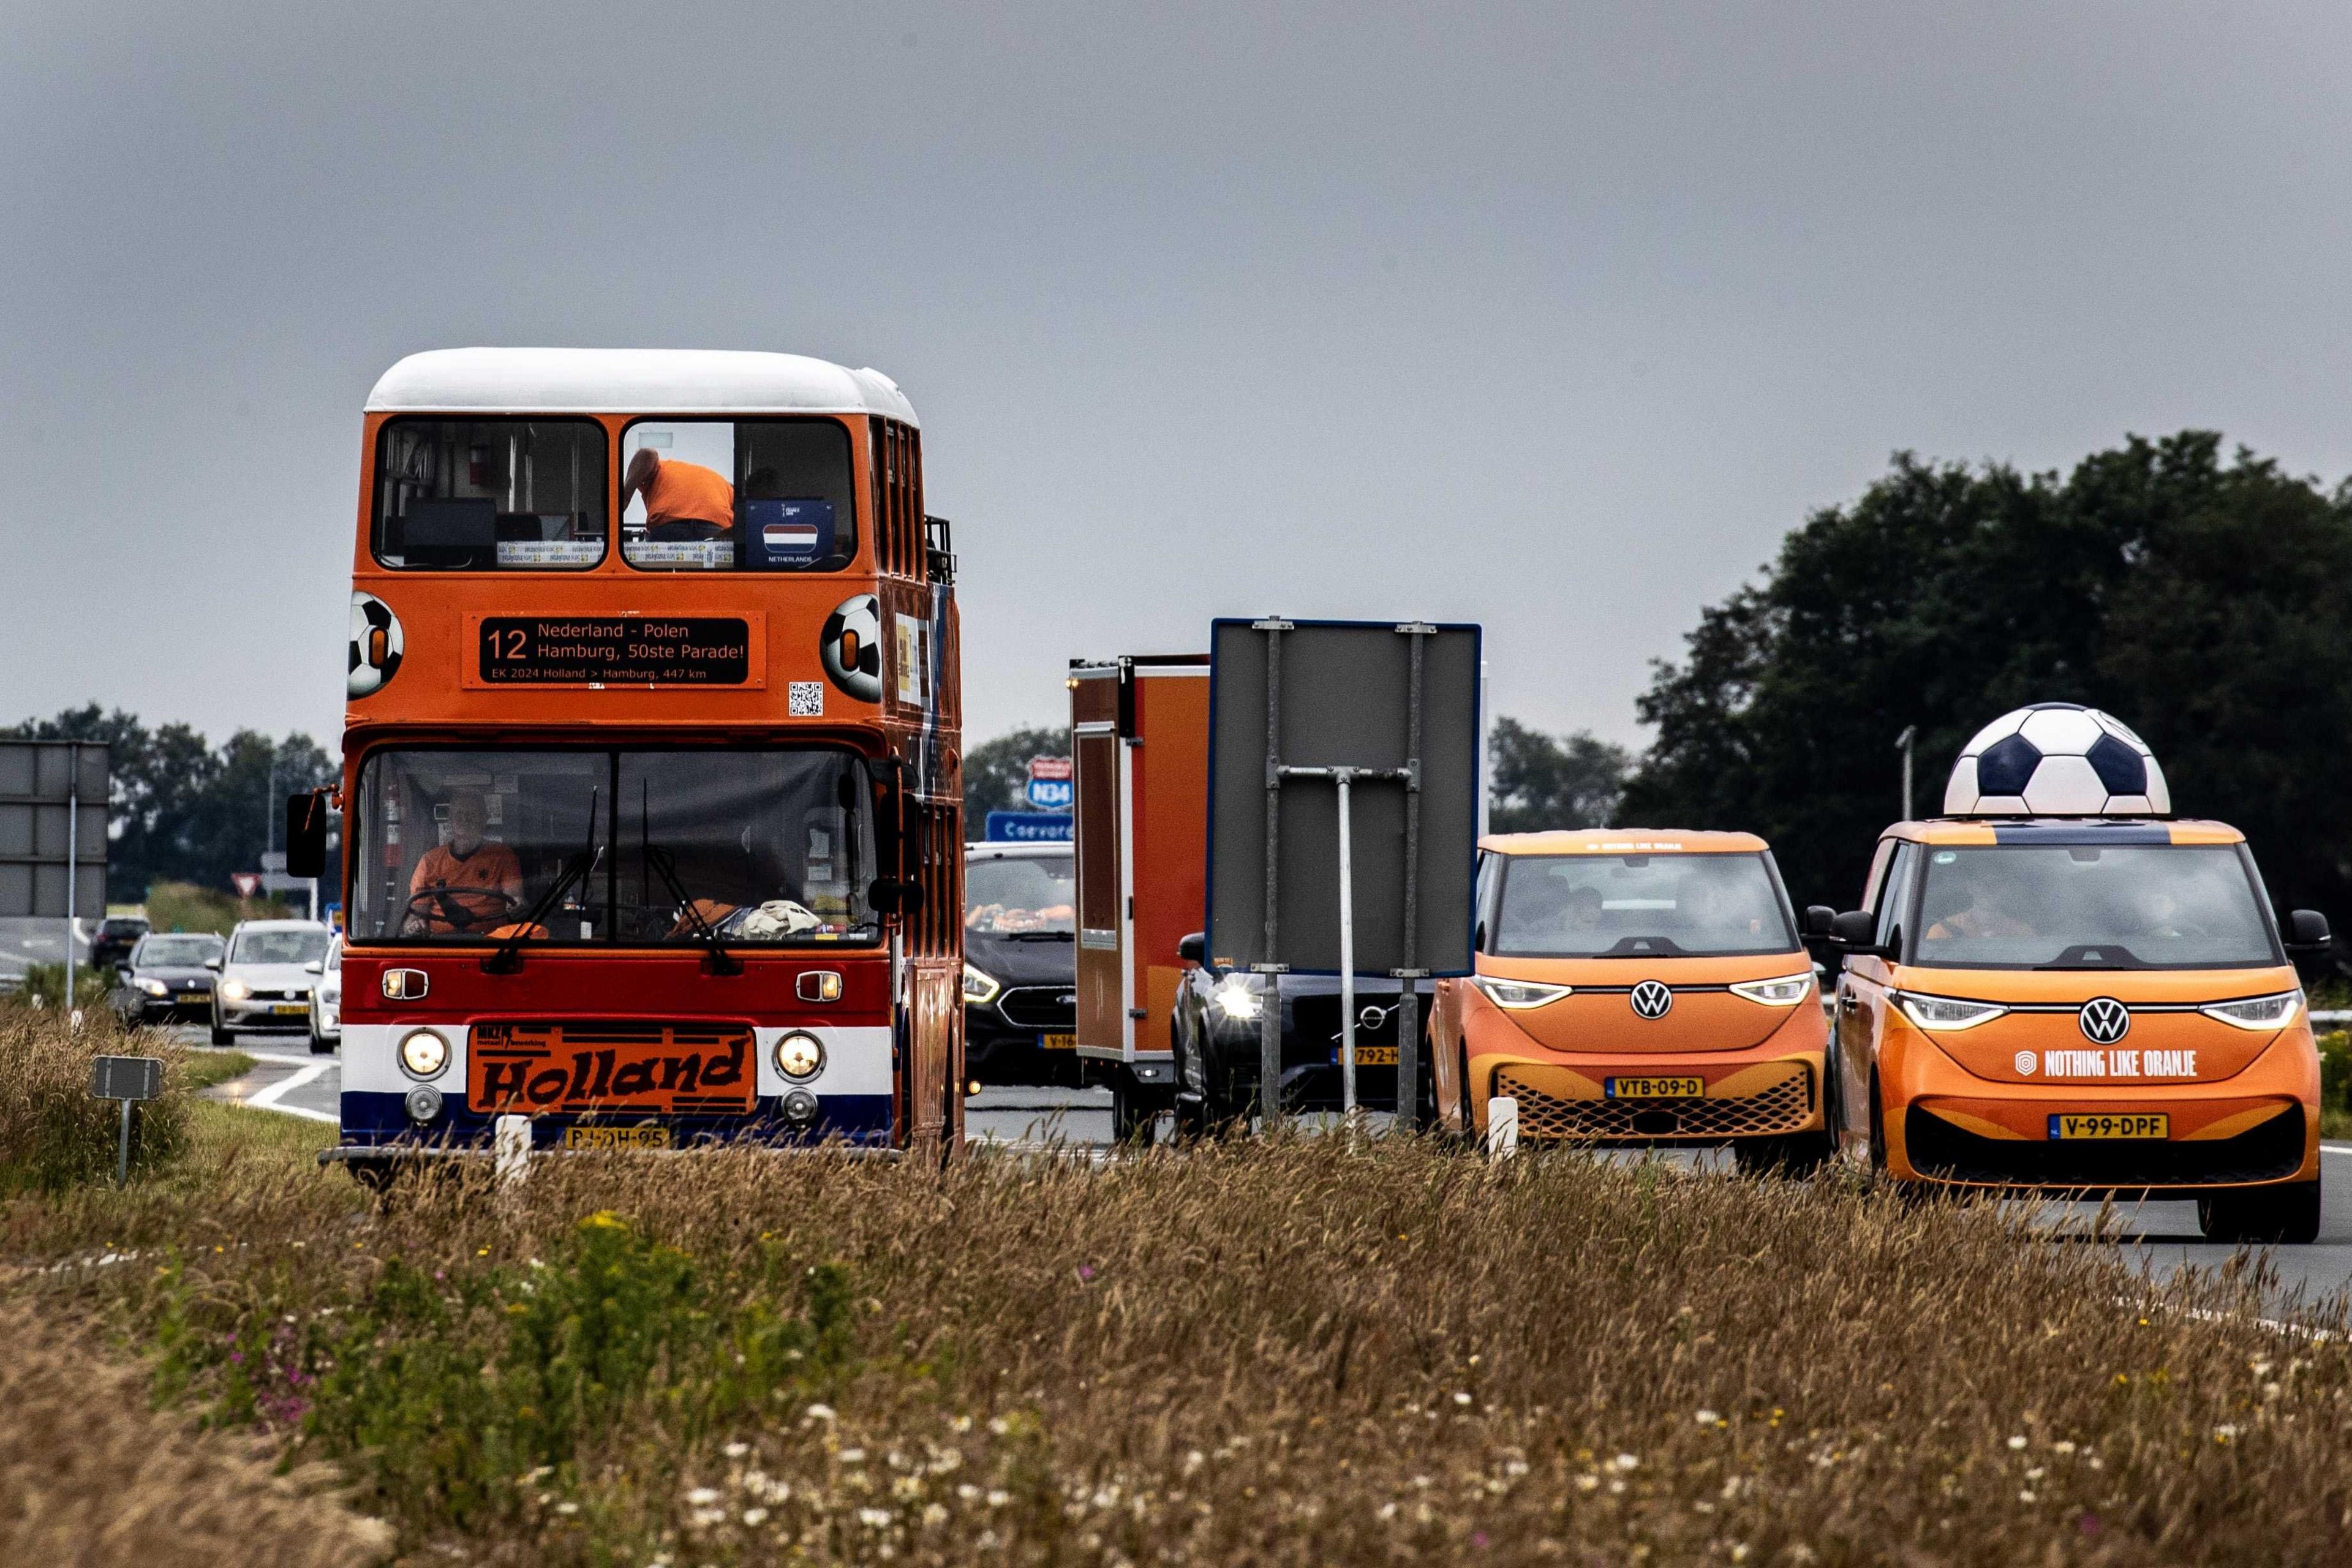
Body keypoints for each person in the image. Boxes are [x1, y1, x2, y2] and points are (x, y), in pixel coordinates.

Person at [405, 794, 525, 933]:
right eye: (459, 814)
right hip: (442, 946)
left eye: (471, 814)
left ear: (484, 819)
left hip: (492, 943)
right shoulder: (430, 861)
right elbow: (416, 915)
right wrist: (414, 927)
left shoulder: (502, 856)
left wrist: (518, 906)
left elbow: (515, 900)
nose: (464, 819)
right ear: (450, 819)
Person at [623, 447, 734, 541]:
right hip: (715, 528)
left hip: (668, 525)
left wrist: (624, 497)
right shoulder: (726, 486)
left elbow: (647, 454)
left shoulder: (660, 468)